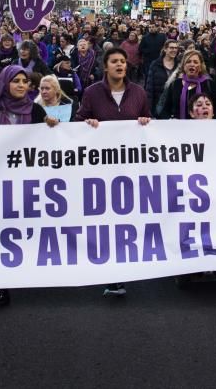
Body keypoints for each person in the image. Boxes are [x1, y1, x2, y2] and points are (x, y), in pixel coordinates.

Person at [0, 65, 56, 307]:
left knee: (29, 229)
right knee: (2, 233)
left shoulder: (37, 111)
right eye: (16, 81)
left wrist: (52, 127)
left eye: (25, 81)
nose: (22, 85)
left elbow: (50, 145)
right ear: (4, 84)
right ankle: (1, 286)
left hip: (30, 181)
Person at [75, 47, 150, 298]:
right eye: (115, 62)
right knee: (105, 220)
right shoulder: (92, 92)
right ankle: (110, 273)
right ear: (105, 66)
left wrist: (145, 123)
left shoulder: (138, 93)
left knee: (126, 219)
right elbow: (78, 124)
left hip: (130, 168)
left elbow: (150, 123)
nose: (120, 65)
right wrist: (87, 123)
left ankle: (125, 268)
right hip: (101, 169)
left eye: (123, 62)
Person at [160, 50, 216, 119]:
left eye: (195, 62)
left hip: (203, 127)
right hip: (180, 128)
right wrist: (172, 120)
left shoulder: (210, 84)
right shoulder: (175, 84)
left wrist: (208, 118)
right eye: (188, 62)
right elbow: (165, 110)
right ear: (183, 66)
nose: (192, 64)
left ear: (200, 66)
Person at [146, 40, 180, 114]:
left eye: (176, 48)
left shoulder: (180, 65)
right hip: (159, 103)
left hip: (175, 105)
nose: (174, 50)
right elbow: (149, 87)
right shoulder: (155, 64)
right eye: (171, 48)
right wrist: (148, 108)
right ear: (165, 49)